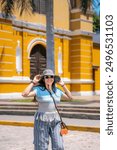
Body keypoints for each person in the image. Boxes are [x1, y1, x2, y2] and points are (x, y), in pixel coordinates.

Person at [22, 69, 73, 150]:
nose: (49, 78)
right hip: (42, 119)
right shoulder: (38, 90)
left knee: (59, 145)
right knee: (41, 146)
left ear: (54, 78)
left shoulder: (57, 90)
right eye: (46, 77)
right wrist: (33, 82)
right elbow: (24, 94)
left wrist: (63, 85)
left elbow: (70, 97)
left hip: (56, 120)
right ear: (43, 79)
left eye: (51, 76)